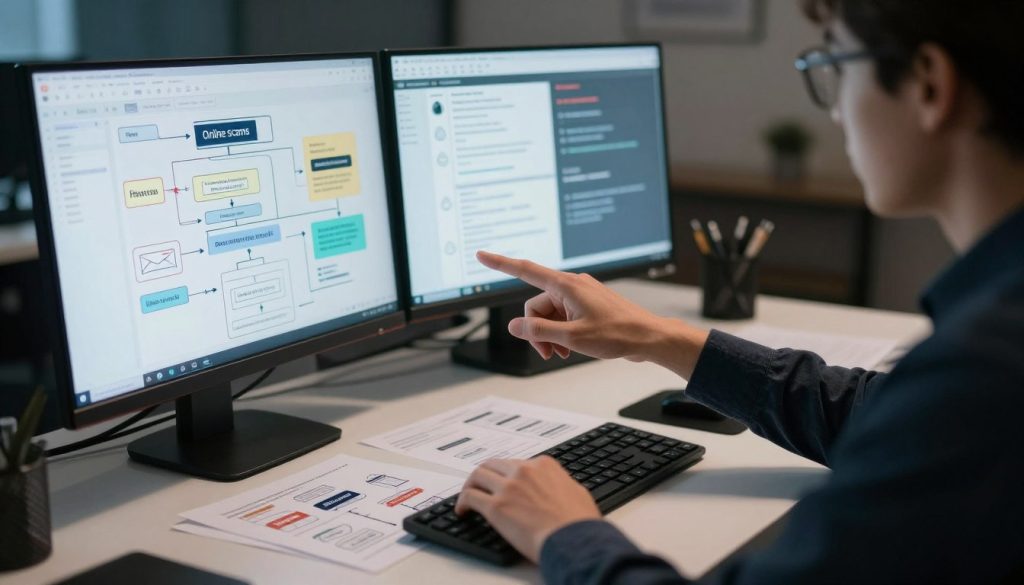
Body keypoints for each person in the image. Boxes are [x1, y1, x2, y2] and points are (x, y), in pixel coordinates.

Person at [453, 1, 1024, 583]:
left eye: (837, 67)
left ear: (929, 84)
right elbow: (876, 414)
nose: (836, 112)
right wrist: (655, 336)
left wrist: (564, 533)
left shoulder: (984, 372)